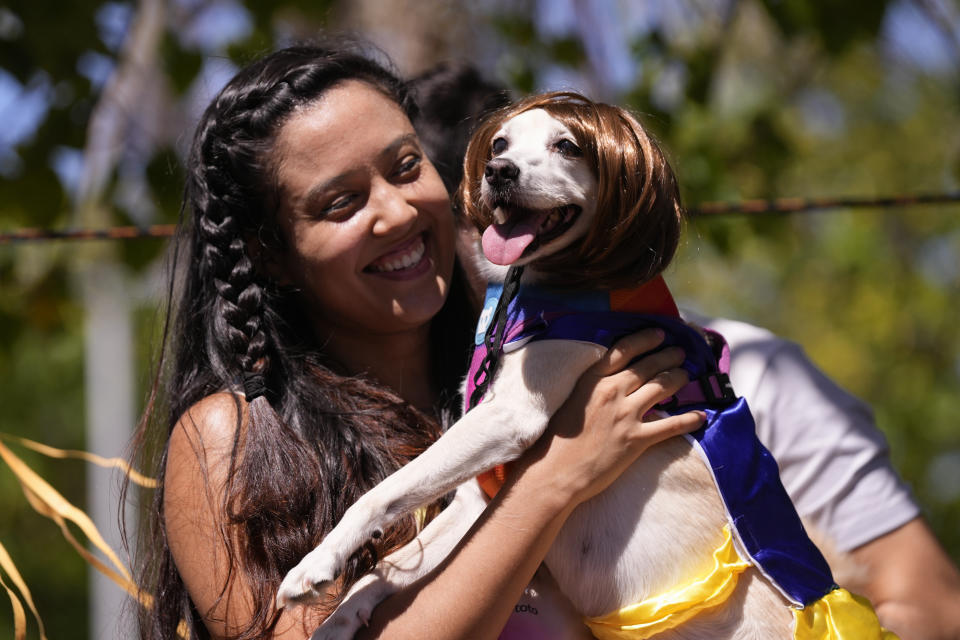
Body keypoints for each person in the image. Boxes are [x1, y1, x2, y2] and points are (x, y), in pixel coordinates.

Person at [126, 41, 706, 640]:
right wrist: (550, 480)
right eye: (342, 202)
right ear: (268, 255)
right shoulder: (230, 438)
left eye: (407, 167)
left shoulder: (545, 361)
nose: (398, 213)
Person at [408, 62, 960, 640]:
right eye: (493, 186)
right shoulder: (427, 408)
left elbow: (928, 602)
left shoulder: (747, 371)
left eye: (539, 171)